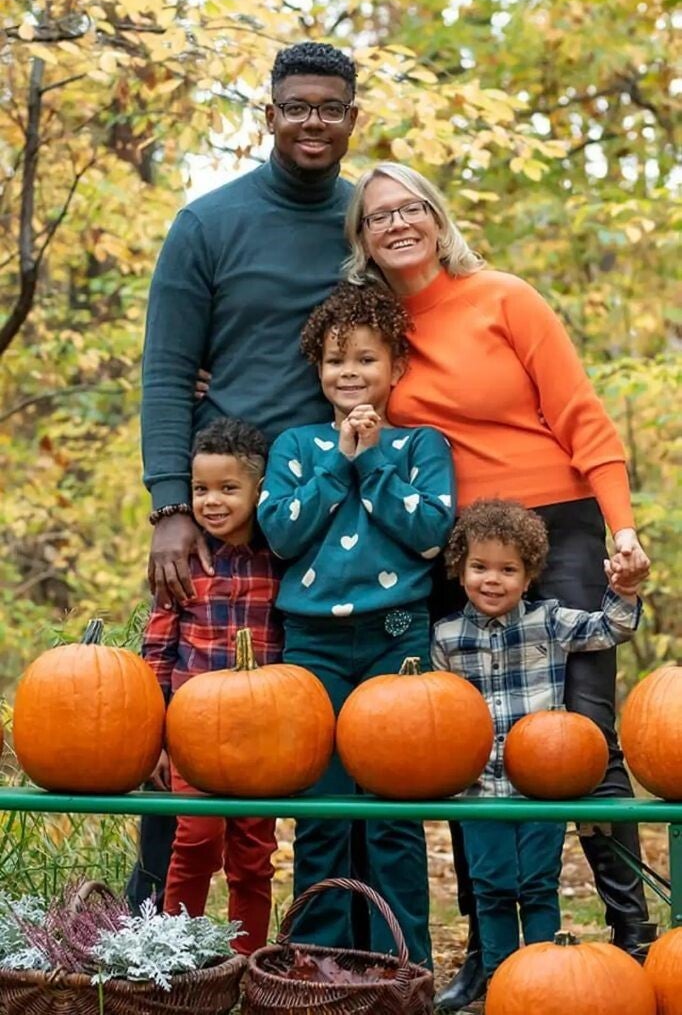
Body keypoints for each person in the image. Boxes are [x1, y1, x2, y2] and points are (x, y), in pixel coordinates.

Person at [343, 162, 654, 1009]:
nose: (398, 224)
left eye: (412, 208)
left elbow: (584, 414)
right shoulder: (376, 332)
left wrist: (622, 529)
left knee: (581, 737)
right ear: (363, 241)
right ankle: (487, 957)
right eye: (379, 217)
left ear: (438, 221)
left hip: (560, 524)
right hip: (454, 547)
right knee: (459, 740)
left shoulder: (503, 297)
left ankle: (637, 942)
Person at [132, 41, 359, 912]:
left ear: (351, 116)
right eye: (296, 106)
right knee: (180, 717)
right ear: (269, 114)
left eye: (329, 107)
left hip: (329, 517)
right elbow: (166, 368)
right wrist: (170, 504)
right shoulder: (208, 223)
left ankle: (314, 937)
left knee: (311, 724)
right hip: (218, 515)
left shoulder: (363, 224)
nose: (313, 122)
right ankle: (154, 937)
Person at [257, 281, 455, 967]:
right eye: (336, 359)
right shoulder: (295, 445)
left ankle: (402, 968)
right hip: (312, 643)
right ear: (318, 367)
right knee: (325, 810)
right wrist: (338, 462)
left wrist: (371, 457)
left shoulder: (421, 446)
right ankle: (321, 966)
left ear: (396, 366)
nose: (350, 373)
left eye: (366, 359)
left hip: (395, 639)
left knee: (393, 814)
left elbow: (430, 532)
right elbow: (282, 533)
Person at [431, 498, 643, 983]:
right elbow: (435, 714)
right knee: (491, 886)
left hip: (540, 785)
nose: (492, 579)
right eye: (480, 567)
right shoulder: (446, 636)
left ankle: (543, 978)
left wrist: (624, 590)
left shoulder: (548, 620)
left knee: (539, 884)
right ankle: (501, 976)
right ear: (460, 569)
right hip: (481, 790)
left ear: (528, 578)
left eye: (509, 570)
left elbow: (611, 628)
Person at [141, 416, 281, 954]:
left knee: (252, 852)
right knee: (195, 839)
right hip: (192, 732)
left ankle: (246, 962)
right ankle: (182, 956)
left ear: (257, 491)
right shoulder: (183, 566)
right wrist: (152, 734)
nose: (212, 501)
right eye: (201, 489)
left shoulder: (278, 561)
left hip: (260, 735)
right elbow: (156, 652)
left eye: (228, 488)